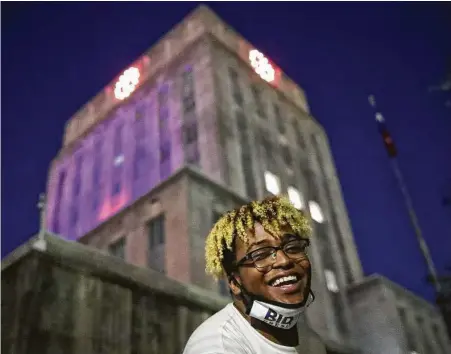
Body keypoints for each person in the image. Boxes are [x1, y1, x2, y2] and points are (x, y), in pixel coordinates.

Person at [183, 195, 322, 354]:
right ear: (235, 282)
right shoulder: (216, 345)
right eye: (261, 255)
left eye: (293, 247)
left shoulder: (311, 341)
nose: (284, 261)